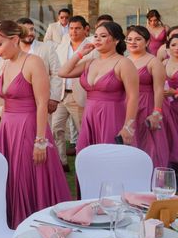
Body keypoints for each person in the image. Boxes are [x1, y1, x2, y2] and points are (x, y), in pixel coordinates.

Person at [0, 20, 71, 229]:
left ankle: (35, 223)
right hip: (8, 128)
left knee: (29, 176)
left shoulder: (33, 62)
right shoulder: (5, 64)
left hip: (29, 128)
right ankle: (12, 221)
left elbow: (42, 103)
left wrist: (40, 141)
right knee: (10, 176)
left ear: (15, 39)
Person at [59, 22, 139, 152]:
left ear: (116, 40)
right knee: (88, 157)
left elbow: (133, 97)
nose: (98, 39)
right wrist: (80, 53)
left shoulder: (124, 63)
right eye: (95, 36)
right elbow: (63, 72)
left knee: (110, 156)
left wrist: (128, 126)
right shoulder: (89, 62)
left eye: (103, 36)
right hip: (89, 115)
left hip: (112, 115)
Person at [51, 16, 93, 171]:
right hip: (61, 95)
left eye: (77, 28)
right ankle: (62, 163)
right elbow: (57, 70)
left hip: (80, 96)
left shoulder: (91, 47)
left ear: (85, 29)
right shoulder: (62, 46)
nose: (73, 31)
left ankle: (85, 163)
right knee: (56, 129)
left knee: (83, 132)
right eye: (71, 28)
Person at [125, 26, 169, 168]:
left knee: (148, 146)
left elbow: (159, 89)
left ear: (148, 42)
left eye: (138, 39)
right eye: (130, 39)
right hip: (126, 106)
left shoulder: (153, 61)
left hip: (147, 105)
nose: (133, 42)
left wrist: (157, 112)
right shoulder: (124, 60)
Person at [16, 18, 63, 115]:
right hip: (18, 103)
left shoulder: (47, 48)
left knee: (43, 129)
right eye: (26, 30)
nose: (30, 32)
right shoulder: (13, 51)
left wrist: (54, 98)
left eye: (32, 29)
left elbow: (56, 73)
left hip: (42, 102)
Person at [163, 35, 178, 166]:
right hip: (165, 106)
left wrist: (175, 92)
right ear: (168, 47)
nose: (176, 48)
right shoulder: (163, 63)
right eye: (173, 45)